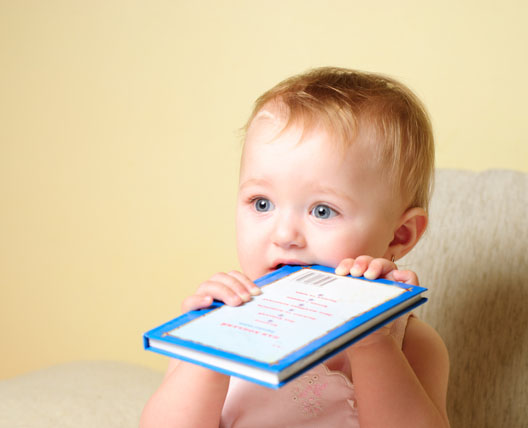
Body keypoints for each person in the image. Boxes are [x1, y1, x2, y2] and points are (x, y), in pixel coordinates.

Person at [140, 67, 450, 427]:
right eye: (261, 203)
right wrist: (208, 352)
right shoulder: (214, 319)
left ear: (400, 236)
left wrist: (371, 340)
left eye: (322, 210)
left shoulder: (410, 342)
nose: (285, 234)